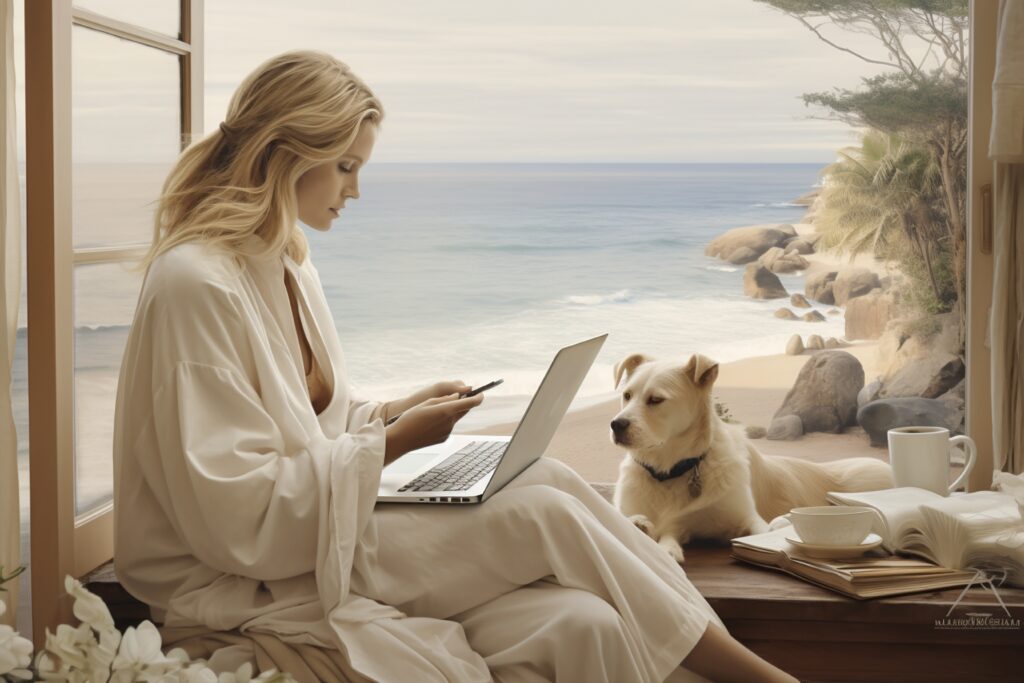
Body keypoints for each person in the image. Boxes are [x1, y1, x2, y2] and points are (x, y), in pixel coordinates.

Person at [112, 50, 799, 683]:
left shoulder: (286, 262)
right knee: (544, 514)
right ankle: (760, 677)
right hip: (258, 572)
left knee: (562, 535)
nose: (355, 191)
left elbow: (313, 424)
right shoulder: (195, 285)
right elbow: (234, 518)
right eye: (346, 166)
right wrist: (394, 443)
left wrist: (394, 412)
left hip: (321, 528)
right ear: (288, 152)